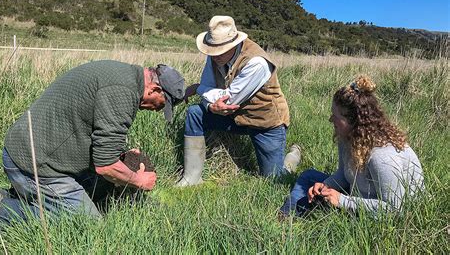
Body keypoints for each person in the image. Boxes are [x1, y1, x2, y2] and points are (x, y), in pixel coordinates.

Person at [0, 60, 185, 226]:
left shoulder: (123, 75)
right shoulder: (123, 93)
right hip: (35, 165)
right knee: (86, 222)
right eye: (161, 105)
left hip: (31, 153)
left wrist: (120, 154)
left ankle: (15, 195)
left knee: (100, 189)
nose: (156, 110)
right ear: (155, 89)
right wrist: (138, 181)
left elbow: (95, 130)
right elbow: (105, 165)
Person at [177, 15, 300, 187]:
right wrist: (210, 106)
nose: (214, 55)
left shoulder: (256, 62)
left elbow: (227, 99)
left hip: (265, 123)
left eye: (220, 50)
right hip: (233, 117)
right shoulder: (214, 55)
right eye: (212, 50)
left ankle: (292, 157)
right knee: (195, 113)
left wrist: (197, 88)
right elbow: (210, 90)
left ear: (234, 44)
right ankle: (192, 177)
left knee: (274, 180)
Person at [279, 76, 424, 219]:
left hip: (386, 212)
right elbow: (344, 174)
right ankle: (286, 218)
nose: (331, 119)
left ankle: (305, 216)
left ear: (354, 121)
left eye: (336, 116)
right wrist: (325, 186)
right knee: (309, 176)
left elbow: (395, 208)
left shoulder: (382, 157)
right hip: (359, 194)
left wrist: (342, 200)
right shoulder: (347, 137)